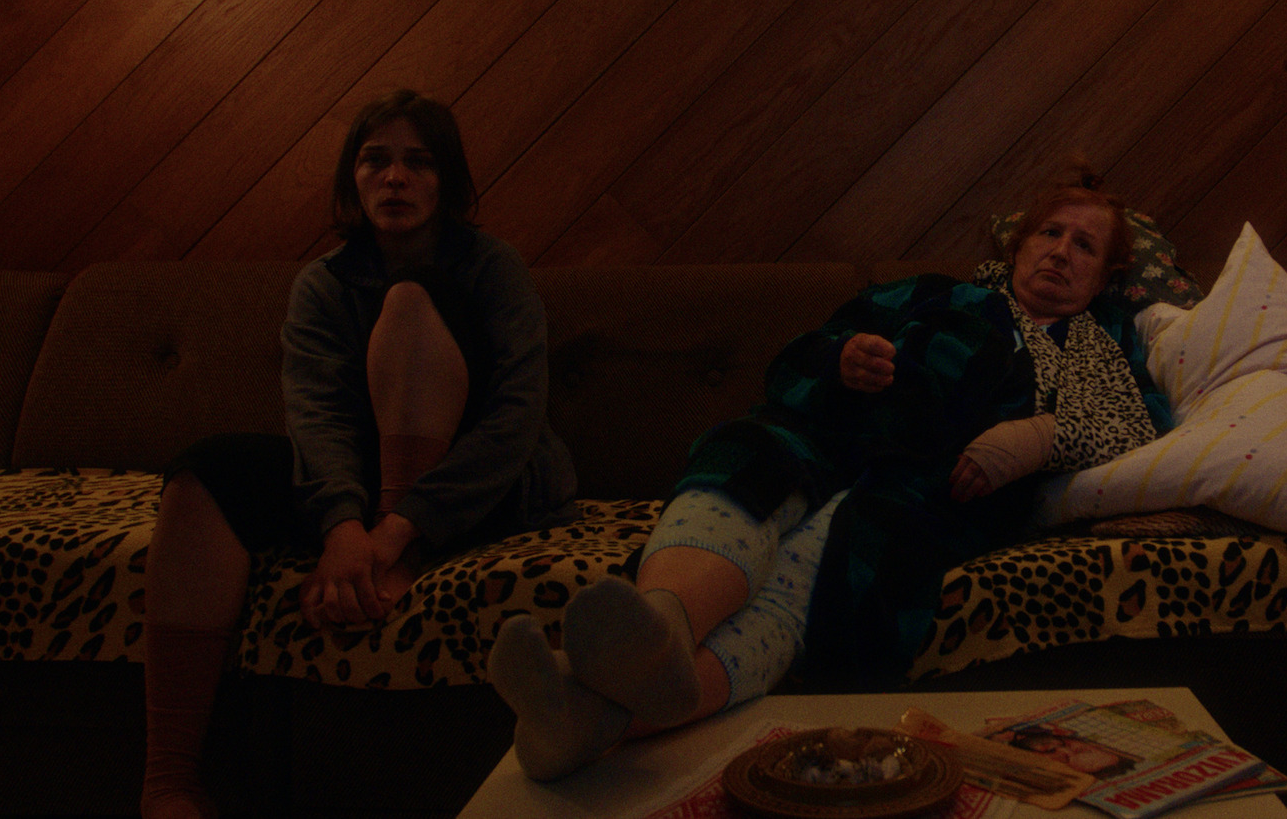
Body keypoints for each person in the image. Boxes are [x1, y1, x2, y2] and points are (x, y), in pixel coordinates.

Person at [487, 171, 1173, 780]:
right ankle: (664, 624)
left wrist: (1039, 436)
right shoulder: (936, 295)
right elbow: (797, 359)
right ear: (1018, 245)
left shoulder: (1099, 348)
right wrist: (842, 359)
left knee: (832, 569)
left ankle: (586, 720)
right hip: (828, 435)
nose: (1061, 251)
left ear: (1104, 277)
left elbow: (1143, 425)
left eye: (1085, 245)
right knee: (749, 458)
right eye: (1050, 233)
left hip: (921, 491)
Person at [140, 91, 577, 819]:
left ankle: (394, 557)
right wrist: (342, 527)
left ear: (447, 182)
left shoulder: (494, 268)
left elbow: (517, 419)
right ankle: (169, 782)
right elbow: (315, 415)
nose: (395, 178)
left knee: (408, 304)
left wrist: (391, 534)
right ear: (353, 178)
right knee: (203, 473)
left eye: (418, 162)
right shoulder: (323, 283)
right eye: (376, 161)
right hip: (360, 485)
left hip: (485, 479)